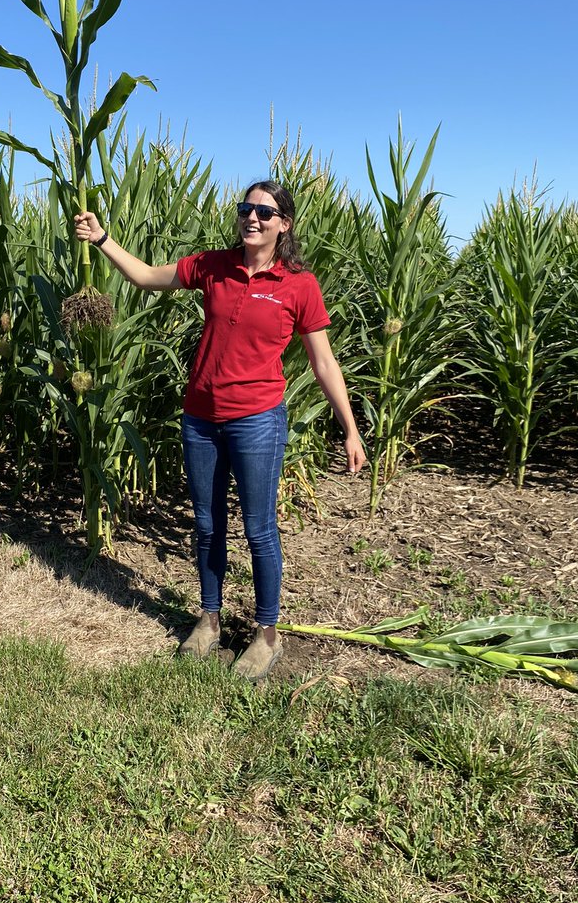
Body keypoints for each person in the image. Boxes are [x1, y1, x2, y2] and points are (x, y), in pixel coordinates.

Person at [74, 180, 365, 681]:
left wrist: (351, 427)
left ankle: (266, 634)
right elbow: (145, 277)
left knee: (258, 529)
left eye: (265, 213)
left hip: (257, 421)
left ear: (284, 224)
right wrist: (102, 239)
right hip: (201, 418)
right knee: (207, 525)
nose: (253, 218)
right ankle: (208, 620)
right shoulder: (212, 266)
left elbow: (323, 362)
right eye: (246, 209)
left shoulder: (299, 285)